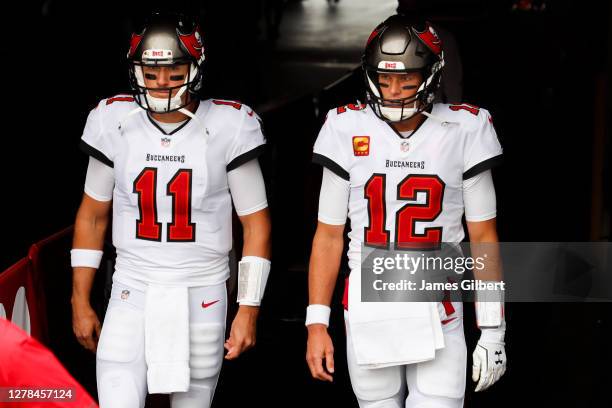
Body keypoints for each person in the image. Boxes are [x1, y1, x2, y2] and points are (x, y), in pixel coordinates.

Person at [70, 12, 271, 408]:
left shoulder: (230, 124)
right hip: (131, 287)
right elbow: (92, 214)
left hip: (203, 288)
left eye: (174, 70)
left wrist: (249, 308)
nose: (161, 82)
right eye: (151, 70)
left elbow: (257, 225)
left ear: (195, 68)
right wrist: (79, 299)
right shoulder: (113, 119)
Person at [305, 15, 506, 407]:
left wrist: (494, 329)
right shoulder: (345, 127)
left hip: (439, 302)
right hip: (368, 306)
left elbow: (484, 238)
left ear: (431, 76)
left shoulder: (466, 128)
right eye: (384, 79)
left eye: (407, 80)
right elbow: (328, 235)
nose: (394, 91)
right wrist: (316, 322)